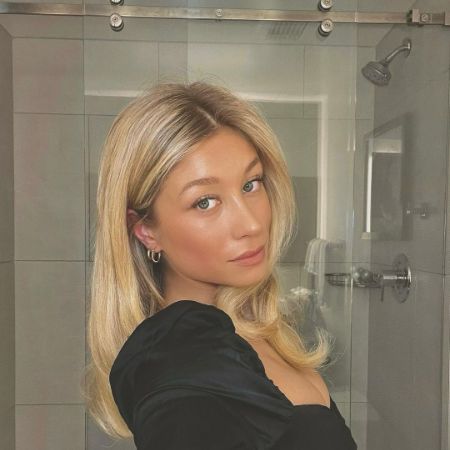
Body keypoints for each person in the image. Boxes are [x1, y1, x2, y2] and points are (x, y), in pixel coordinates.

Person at [82, 80, 358, 449]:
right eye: (205, 202)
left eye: (251, 184)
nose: (252, 224)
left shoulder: (238, 332)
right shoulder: (181, 372)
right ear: (147, 231)